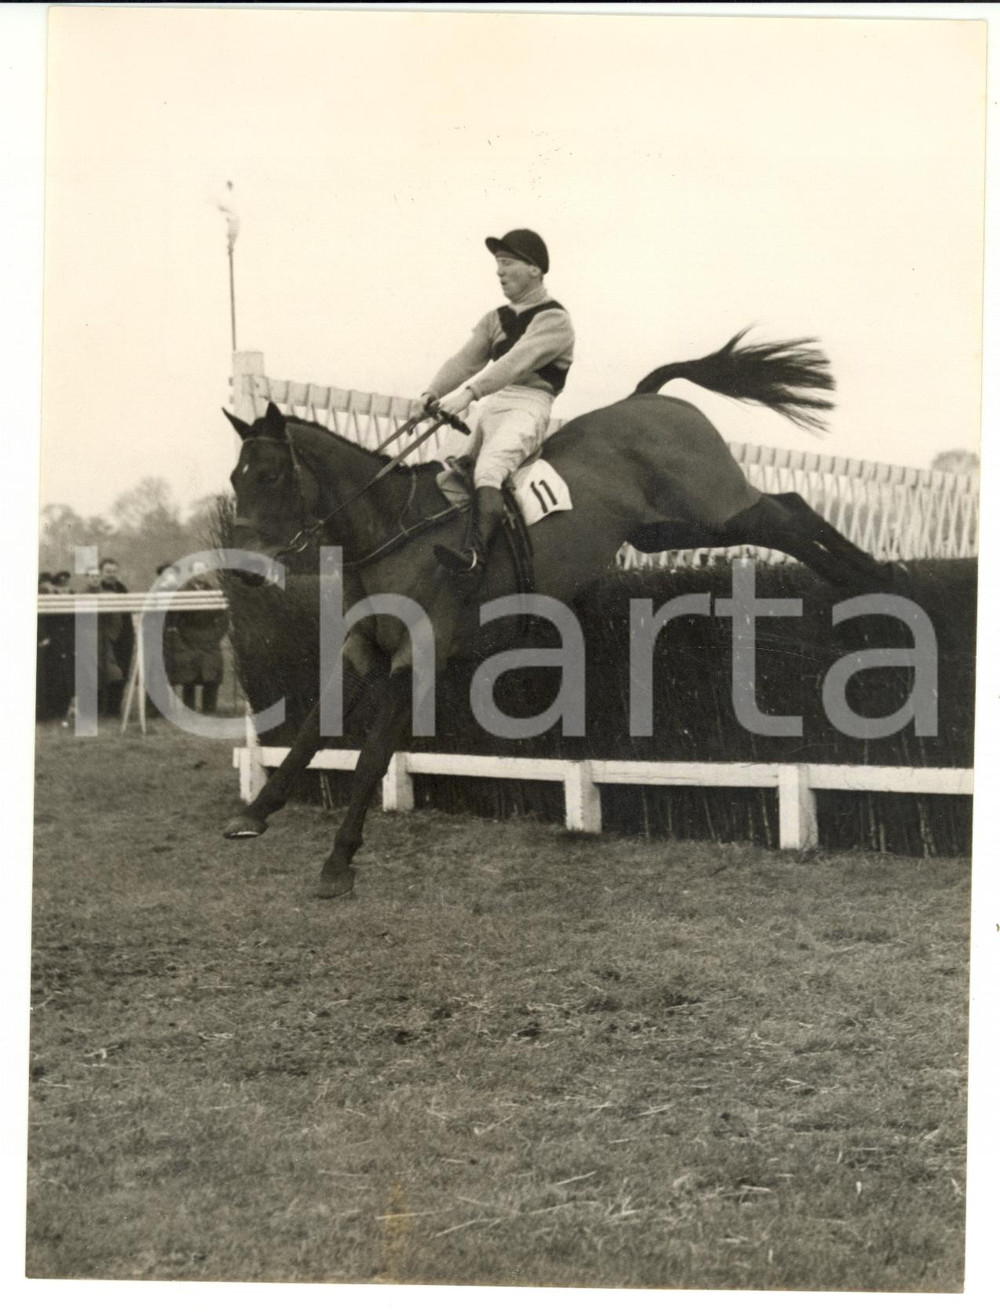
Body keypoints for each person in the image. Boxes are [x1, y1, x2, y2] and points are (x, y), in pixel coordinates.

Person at [419, 228, 575, 582]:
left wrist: (469, 393)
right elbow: (465, 361)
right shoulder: (495, 318)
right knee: (443, 468)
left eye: (506, 263)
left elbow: (515, 362)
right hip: (493, 400)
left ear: (534, 269)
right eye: (497, 265)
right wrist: (432, 392)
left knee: (488, 471)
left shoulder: (554, 319)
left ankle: (475, 557)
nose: (499, 272)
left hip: (528, 404)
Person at [171, 560, 229, 714]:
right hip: (189, 638)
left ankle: (209, 710)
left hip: (210, 638)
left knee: (212, 674)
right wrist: (183, 636)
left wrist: (216, 635)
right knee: (189, 676)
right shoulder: (182, 592)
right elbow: (175, 618)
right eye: (197, 571)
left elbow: (224, 617)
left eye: (204, 571)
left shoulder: (215, 592)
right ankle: (188, 710)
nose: (201, 574)